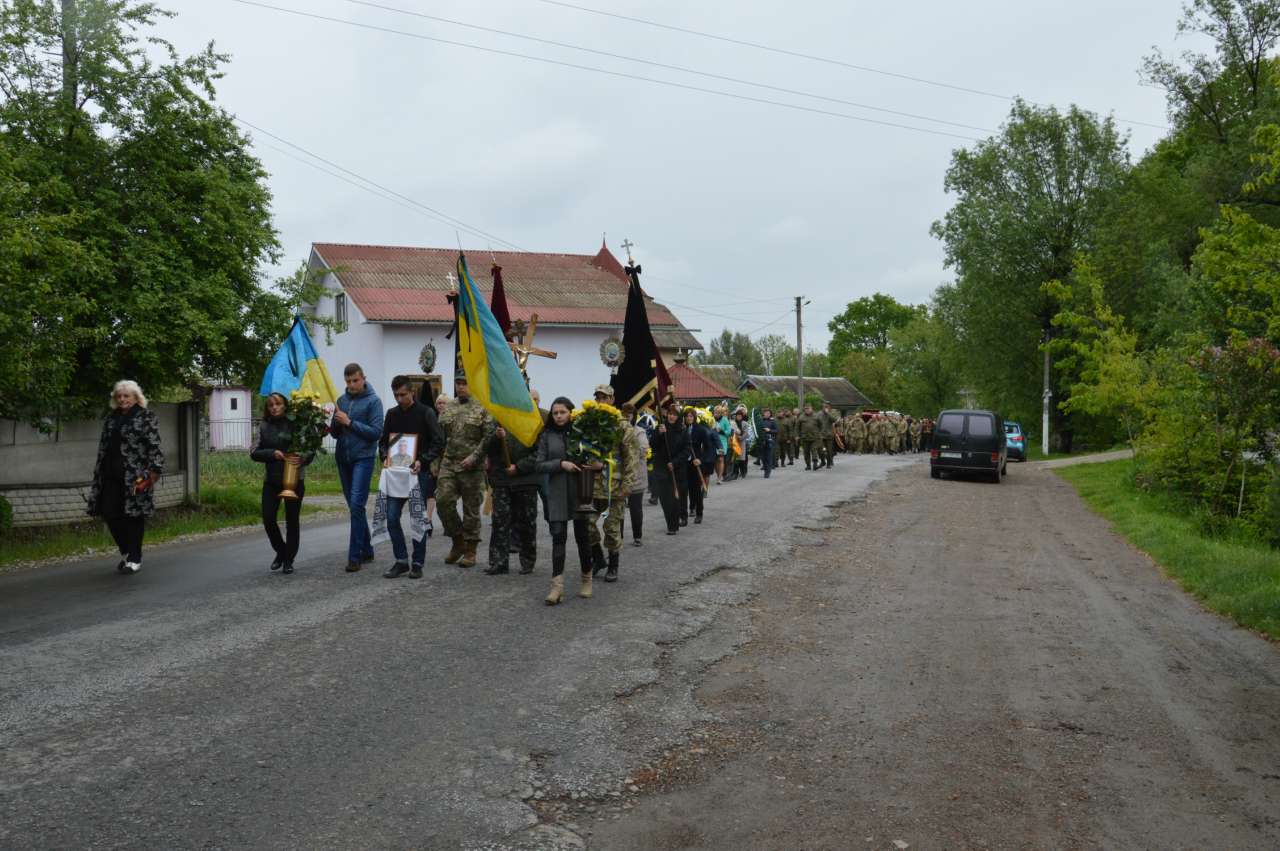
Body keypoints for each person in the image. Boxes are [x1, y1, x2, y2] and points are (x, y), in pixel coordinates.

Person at [88, 380, 164, 575]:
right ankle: (127, 551)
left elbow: (154, 445)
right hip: (110, 474)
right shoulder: (111, 418)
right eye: (119, 396)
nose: (122, 399)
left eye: (126, 396)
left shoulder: (145, 416)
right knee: (108, 511)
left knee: (133, 515)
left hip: (135, 476)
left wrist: (153, 472)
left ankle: (135, 558)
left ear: (136, 397)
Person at [521, 397, 592, 604]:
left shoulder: (581, 432)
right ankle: (557, 587)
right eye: (555, 413)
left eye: (563, 412)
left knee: (582, 536)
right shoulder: (546, 435)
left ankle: (586, 579)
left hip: (581, 488)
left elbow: (595, 455)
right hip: (557, 489)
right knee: (558, 536)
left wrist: (594, 463)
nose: (559, 416)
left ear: (571, 412)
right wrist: (561, 464)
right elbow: (539, 464)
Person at [378, 375, 444, 578]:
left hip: (419, 474)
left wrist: (422, 460)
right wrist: (384, 457)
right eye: (396, 395)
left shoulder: (426, 413)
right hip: (396, 474)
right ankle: (401, 560)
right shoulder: (392, 414)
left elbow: (439, 441)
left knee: (417, 518)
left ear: (411, 392)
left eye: (403, 395)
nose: (399, 399)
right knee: (391, 518)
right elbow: (383, 442)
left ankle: (417, 562)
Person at [579, 385, 640, 583]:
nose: (601, 401)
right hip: (591, 484)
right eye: (598, 397)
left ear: (612, 400)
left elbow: (631, 458)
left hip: (614, 485)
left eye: (605, 397)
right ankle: (598, 559)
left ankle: (613, 565)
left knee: (611, 528)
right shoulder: (588, 422)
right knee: (586, 526)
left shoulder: (622, 425)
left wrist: (627, 485)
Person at [436, 373, 495, 568]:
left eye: (465, 383)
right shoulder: (450, 406)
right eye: (458, 383)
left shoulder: (483, 407)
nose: (461, 387)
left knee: (471, 509)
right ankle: (458, 541)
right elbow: (442, 435)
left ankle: (471, 550)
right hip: (449, 462)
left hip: (472, 466)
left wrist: (475, 457)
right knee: (443, 501)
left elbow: (488, 437)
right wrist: (437, 462)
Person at [250, 392, 312, 575]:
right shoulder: (263, 426)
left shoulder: (297, 424)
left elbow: (310, 449)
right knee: (268, 519)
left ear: (285, 405)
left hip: (294, 480)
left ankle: (289, 559)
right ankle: (281, 551)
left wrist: (303, 458)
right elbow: (253, 452)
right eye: (271, 405)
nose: (274, 407)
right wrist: (272, 453)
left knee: (292, 521)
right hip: (272, 480)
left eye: (278, 404)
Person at [331, 363, 385, 573]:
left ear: (363, 378)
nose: (351, 385)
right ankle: (368, 549)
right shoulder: (341, 400)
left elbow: (376, 432)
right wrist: (334, 422)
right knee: (355, 507)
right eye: (348, 381)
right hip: (343, 458)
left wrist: (350, 422)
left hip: (363, 457)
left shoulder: (374, 401)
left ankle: (355, 557)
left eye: (355, 380)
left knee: (356, 504)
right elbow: (336, 433)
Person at [485, 419, 541, 576]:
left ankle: (527, 561)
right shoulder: (498, 420)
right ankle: (499, 562)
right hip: (502, 479)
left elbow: (540, 452)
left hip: (526, 480)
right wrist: (496, 437)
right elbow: (486, 447)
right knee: (499, 521)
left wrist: (519, 467)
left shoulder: (533, 422)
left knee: (526, 522)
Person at [651, 403, 691, 534]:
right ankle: (670, 522)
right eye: (670, 414)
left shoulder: (683, 431)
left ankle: (673, 526)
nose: (671, 416)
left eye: (674, 414)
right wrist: (659, 434)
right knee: (664, 499)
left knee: (674, 499)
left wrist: (675, 462)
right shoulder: (661, 428)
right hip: (662, 467)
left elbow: (686, 450)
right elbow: (653, 446)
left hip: (677, 469)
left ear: (678, 417)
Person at [619, 403, 649, 547]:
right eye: (624, 415)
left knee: (635, 508)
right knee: (617, 509)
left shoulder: (640, 431)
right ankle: (618, 536)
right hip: (619, 476)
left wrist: (630, 439)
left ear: (634, 416)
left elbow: (643, 450)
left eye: (629, 415)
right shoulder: (616, 430)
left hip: (636, 476)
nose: (626, 418)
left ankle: (638, 536)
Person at [684, 407, 713, 524]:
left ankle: (699, 512)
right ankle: (690, 508)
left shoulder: (700, 430)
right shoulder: (682, 429)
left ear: (694, 417)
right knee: (687, 487)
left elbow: (707, 447)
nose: (688, 418)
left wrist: (700, 459)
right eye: (686, 416)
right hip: (684, 462)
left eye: (691, 416)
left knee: (696, 488)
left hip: (696, 462)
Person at [797, 403, 823, 470]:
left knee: (814, 450)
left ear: (812, 409)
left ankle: (815, 463)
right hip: (804, 437)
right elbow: (797, 427)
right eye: (806, 409)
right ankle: (808, 465)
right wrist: (797, 435)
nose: (807, 410)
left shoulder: (816, 416)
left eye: (808, 409)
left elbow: (821, 425)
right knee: (806, 452)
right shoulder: (801, 417)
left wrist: (818, 433)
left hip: (815, 437)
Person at [731, 406, 753, 479]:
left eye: (740, 416)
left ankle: (743, 471)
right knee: (735, 458)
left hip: (742, 443)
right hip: (734, 442)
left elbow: (746, 434)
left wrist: (740, 437)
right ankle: (735, 473)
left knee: (742, 458)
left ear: (742, 416)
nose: (738, 417)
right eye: (737, 416)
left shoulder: (745, 424)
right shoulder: (733, 423)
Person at [757, 407, 778, 478]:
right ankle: (765, 468)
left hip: (769, 440)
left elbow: (777, 430)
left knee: (769, 456)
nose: (767, 414)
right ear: (763, 413)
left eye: (768, 413)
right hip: (762, 440)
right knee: (763, 457)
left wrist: (769, 430)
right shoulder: (760, 421)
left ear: (770, 414)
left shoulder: (773, 421)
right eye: (766, 413)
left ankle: (767, 472)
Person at [715, 405, 732, 483]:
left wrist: (721, 431)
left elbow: (729, 432)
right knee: (715, 460)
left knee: (720, 459)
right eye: (715, 412)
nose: (716, 414)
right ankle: (719, 475)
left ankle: (719, 478)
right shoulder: (712, 419)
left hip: (722, 442)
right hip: (713, 442)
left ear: (721, 413)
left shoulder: (725, 420)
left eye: (718, 413)